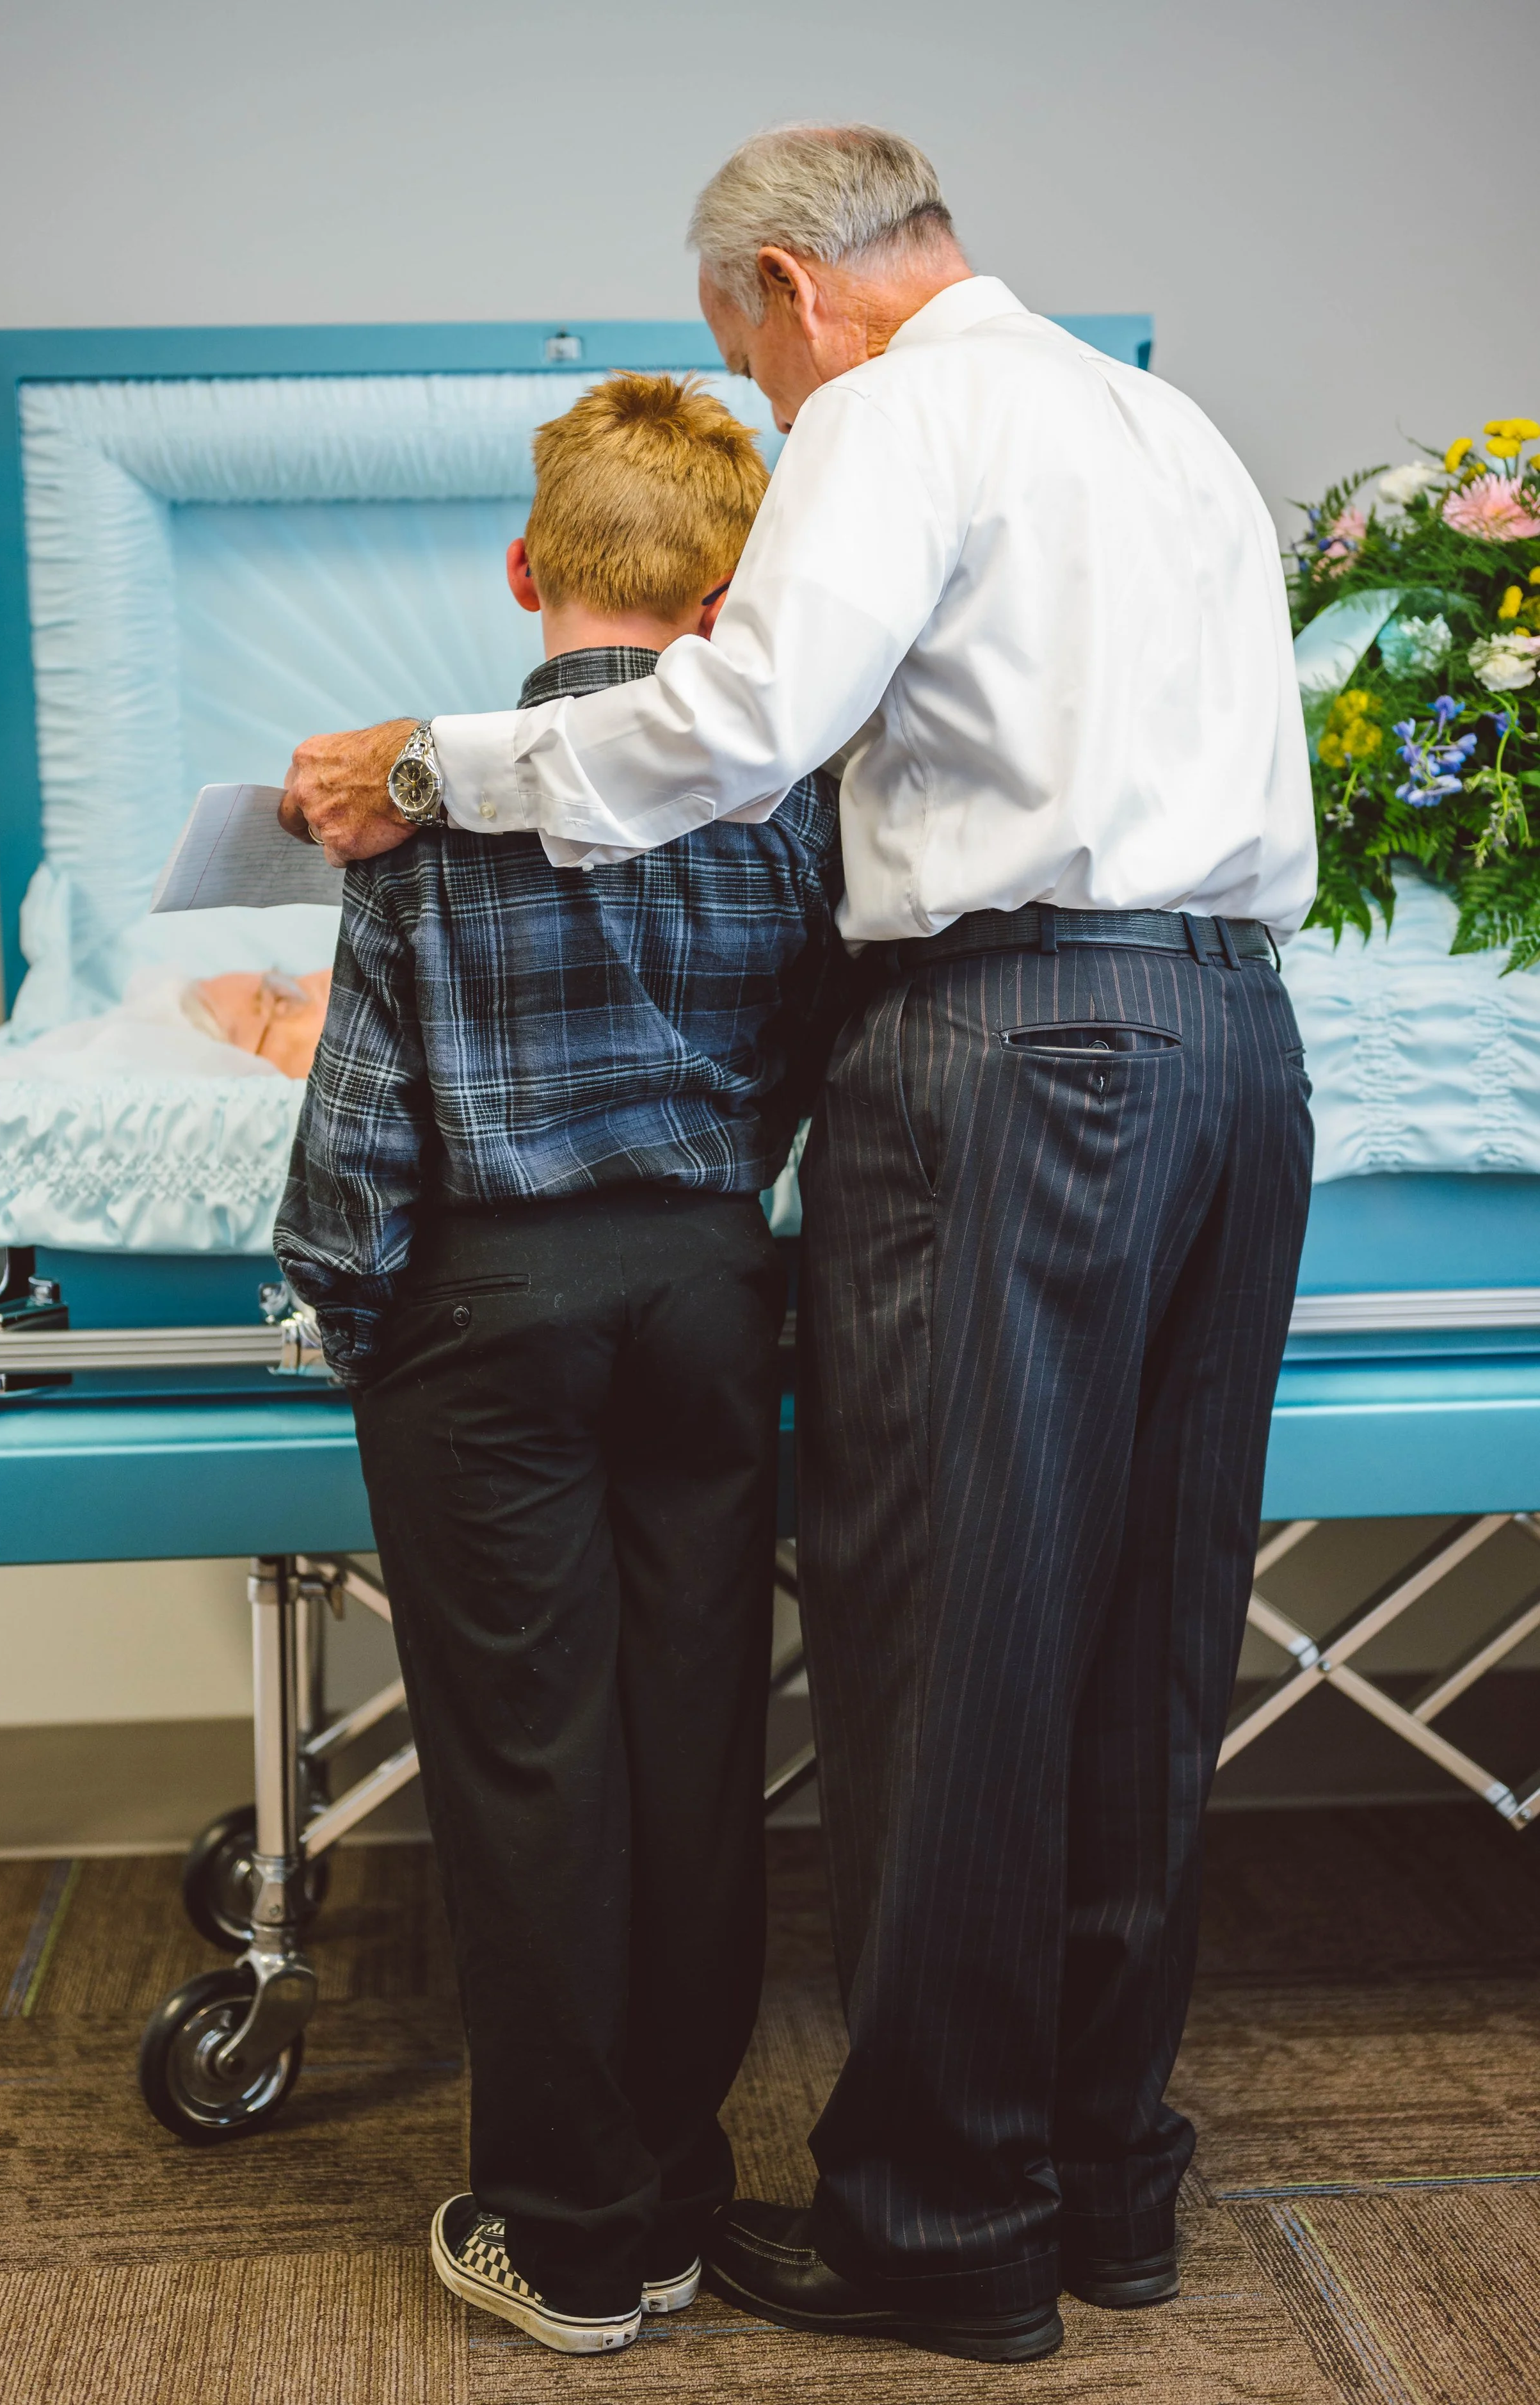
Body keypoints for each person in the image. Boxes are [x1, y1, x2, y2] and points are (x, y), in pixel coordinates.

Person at [280, 125, 1316, 2369]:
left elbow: (746, 725)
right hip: (1237, 1047)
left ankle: (942, 2220)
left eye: (740, 357)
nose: (757, 404)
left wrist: (431, 770)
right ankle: (1101, 2180)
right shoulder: (1163, 425)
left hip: (1022, 1050)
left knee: (946, 1640)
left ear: (786, 284)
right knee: (1145, 1643)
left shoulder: (891, 406)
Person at [274, 371, 840, 2356]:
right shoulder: (783, 794)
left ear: (526, 571)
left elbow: (364, 1111)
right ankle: (677, 2182)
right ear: (727, 597)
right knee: (694, 1745)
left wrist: (332, 1301)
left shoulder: (422, 793)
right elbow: (799, 1068)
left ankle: (569, 2239)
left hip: (490, 1315)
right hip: (704, 1284)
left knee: (532, 1763)